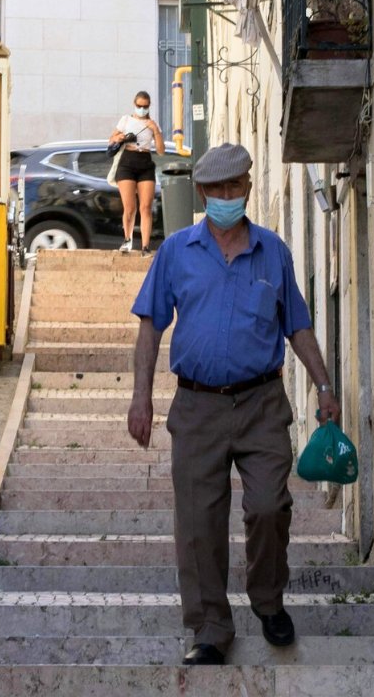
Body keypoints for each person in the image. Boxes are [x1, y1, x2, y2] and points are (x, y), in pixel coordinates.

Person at [126, 143, 341, 666]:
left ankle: (268, 600)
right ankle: (209, 629)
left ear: (247, 185)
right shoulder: (177, 252)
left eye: (235, 185)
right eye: (217, 188)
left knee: (269, 506)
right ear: (202, 193)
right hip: (196, 406)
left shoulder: (274, 252)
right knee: (198, 522)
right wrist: (140, 398)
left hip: (262, 403)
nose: (227, 195)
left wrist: (324, 385)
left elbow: (297, 325)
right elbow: (151, 326)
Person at [107, 90, 164, 257]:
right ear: (134, 104)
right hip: (127, 161)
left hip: (145, 161)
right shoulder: (126, 120)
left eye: (145, 106)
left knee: (145, 207)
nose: (142, 109)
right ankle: (127, 240)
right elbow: (111, 140)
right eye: (139, 106)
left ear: (149, 106)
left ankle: (145, 247)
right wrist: (119, 138)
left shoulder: (152, 124)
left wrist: (155, 131)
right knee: (129, 207)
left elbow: (161, 151)